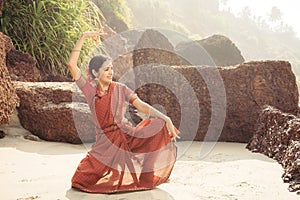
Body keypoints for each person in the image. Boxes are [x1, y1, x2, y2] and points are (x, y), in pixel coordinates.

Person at [67, 30, 180, 193]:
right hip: (105, 144)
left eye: (111, 68)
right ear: (95, 73)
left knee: (158, 124)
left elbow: (142, 106)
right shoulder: (90, 90)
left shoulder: (121, 89)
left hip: (127, 136)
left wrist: (166, 118)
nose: (111, 72)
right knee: (80, 181)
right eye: (106, 69)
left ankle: (146, 177)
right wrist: (83, 37)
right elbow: (72, 64)